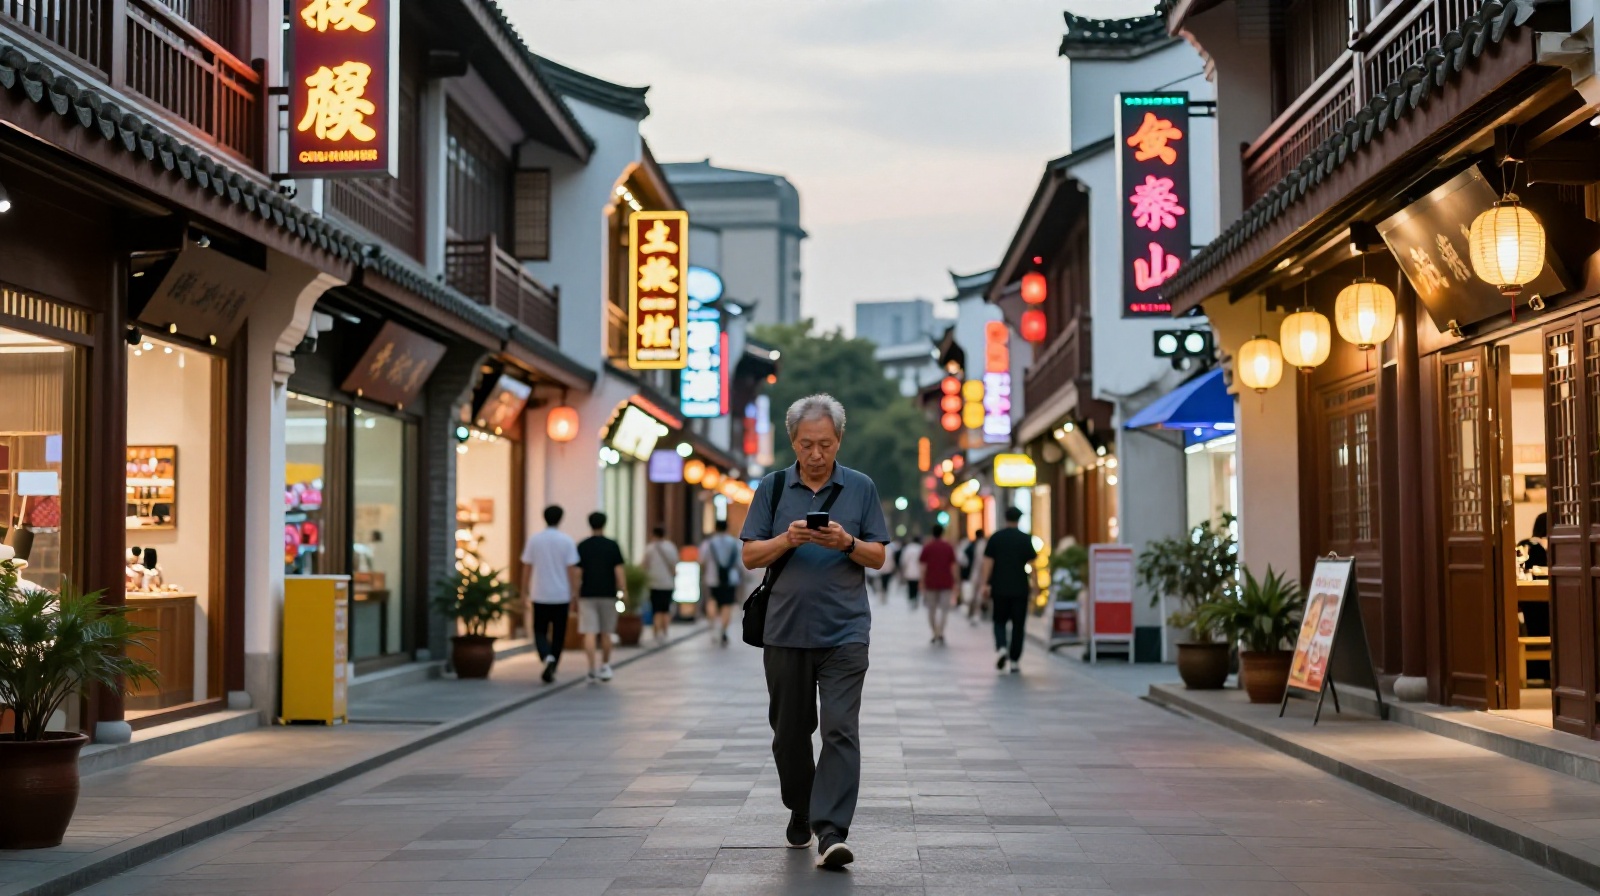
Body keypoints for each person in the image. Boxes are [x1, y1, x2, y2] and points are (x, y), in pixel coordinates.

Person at [741, 394, 888, 870]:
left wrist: (846, 542)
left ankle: (831, 831)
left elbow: (878, 556)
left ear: (839, 440)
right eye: (807, 444)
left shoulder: (861, 487)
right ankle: (801, 807)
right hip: (784, 632)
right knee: (789, 735)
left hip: (846, 632)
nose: (817, 454)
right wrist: (789, 538)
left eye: (826, 444)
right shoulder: (773, 486)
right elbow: (749, 556)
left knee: (841, 729)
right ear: (793, 441)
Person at [521, 505, 580, 684]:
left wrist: (524, 589)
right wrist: (574, 593)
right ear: (560, 519)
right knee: (559, 632)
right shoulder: (566, 541)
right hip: (561, 594)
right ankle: (553, 660)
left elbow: (527, 567)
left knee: (539, 629)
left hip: (540, 593)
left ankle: (546, 656)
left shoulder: (535, 540)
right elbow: (572, 570)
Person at [981, 507, 1038, 675]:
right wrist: (1035, 585)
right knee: (1018, 625)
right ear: (1019, 519)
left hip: (999, 587)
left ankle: (1001, 648)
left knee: (999, 621)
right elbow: (1033, 565)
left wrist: (985, 583)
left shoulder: (996, 538)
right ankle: (1014, 660)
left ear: (1005, 518)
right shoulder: (1025, 539)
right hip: (1020, 587)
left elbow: (988, 563)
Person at [576, 511, 626, 683]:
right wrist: (623, 590)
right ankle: (605, 665)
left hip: (587, 593)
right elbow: (618, 570)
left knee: (589, 631)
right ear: (604, 524)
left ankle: (591, 668)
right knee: (606, 631)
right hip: (608, 593)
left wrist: (575, 593)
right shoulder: (612, 545)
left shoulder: (583, 546)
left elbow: (577, 573)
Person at [699, 518, 743, 646]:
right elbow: (739, 563)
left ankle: (713, 627)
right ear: (727, 528)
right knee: (726, 605)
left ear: (715, 528)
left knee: (712, 600)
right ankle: (723, 630)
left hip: (712, 578)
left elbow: (702, 561)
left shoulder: (708, 543)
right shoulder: (734, 543)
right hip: (730, 579)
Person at [919, 524, 959, 645]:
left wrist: (921, 582)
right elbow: (953, 566)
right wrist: (956, 581)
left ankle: (934, 632)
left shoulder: (927, 547)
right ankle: (941, 632)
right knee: (944, 609)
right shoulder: (948, 547)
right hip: (946, 582)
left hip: (930, 582)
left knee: (931, 610)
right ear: (942, 533)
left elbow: (923, 567)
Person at [644, 526, 679, 643]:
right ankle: (665, 631)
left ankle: (657, 632)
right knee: (666, 609)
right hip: (668, 583)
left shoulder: (650, 548)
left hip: (654, 583)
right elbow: (675, 565)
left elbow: (644, 565)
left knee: (656, 609)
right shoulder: (671, 547)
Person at [964, 529, 989, 626]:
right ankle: (976, 613)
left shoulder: (974, 544)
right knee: (978, 595)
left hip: (976, 572)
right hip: (980, 573)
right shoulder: (982, 544)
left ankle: (974, 613)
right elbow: (982, 561)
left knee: (976, 594)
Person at [900, 534, 923, 605]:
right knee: (916, 586)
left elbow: (904, 560)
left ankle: (911, 598)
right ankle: (915, 598)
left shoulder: (908, 548)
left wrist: (903, 570)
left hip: (909, 570)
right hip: (918, 571)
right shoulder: (920, 548)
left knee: (910, 586)